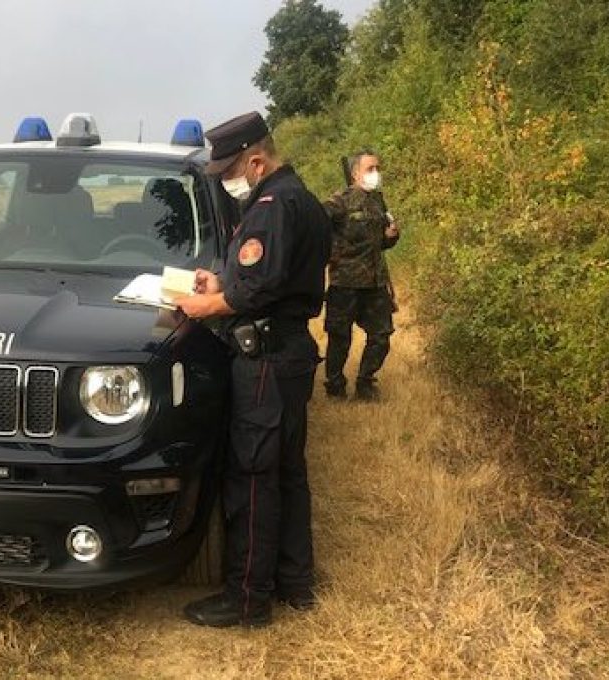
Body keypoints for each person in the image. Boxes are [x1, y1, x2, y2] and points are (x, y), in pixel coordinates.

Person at [174, 112, 332, 628]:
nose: (226, 181)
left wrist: (205, 304)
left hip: (264, 359)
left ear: (256, 160)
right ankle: (295, 582)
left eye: (228, 172)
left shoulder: (269, 205)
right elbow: (265, 275)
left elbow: (253, 290)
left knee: (253, 476)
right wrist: (219, 277)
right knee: (288, 472)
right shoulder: (300, 198)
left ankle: (246, 600)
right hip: (290, 353)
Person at [323, 150, 400, 401]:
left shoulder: (378, 201)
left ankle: (366, 382)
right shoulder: (340, 201)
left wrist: (391, 236)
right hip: (345, 283)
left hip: (375, 282)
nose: (375, 173)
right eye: (369, 168)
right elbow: (318, 223)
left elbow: (381, 242)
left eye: (377, 167)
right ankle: (335, 386)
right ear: (355, 173)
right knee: (339, 338)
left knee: (381, 334)